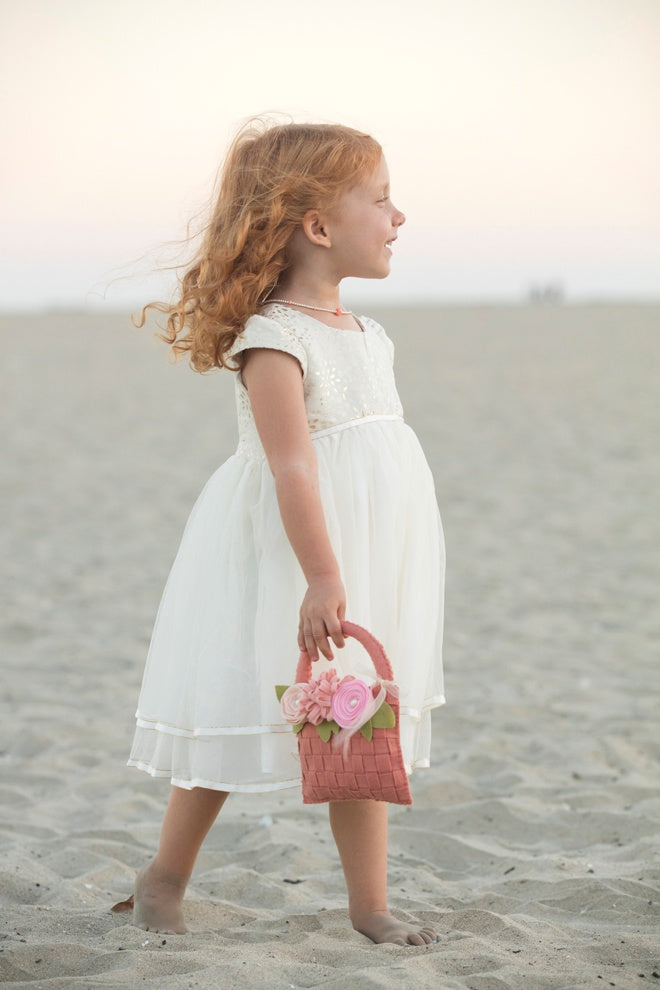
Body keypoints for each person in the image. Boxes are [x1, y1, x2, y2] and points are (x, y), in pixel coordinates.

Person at [123, 119, 445, 946]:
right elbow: (293, 468)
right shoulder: (276, 338)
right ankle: (164, 879)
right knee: (239, 698)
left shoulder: (370, 336)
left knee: (356, 715)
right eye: (380, 200)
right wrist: (323, 574)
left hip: (366, 548)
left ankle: (369, 905)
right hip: (296, 556)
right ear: (318, 225)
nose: (399, 216)